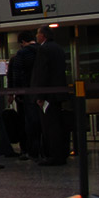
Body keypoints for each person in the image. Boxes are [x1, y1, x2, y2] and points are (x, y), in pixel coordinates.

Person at [31, 25, 68, 165]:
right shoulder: (58, 48)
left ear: (43, 36)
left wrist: (40, 95)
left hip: (48, 95)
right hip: (58, 93)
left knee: (49, 126)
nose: (36, 36)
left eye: (38, 33)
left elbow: (42, 73)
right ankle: (61, 153)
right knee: (58, 125)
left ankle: (53, 155)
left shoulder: (44, 49)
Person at [8, 29, 41, 160]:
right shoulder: (43, 51)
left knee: (26, 122)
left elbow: (15, 75)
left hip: (25, 94)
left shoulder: (20, 54)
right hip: (43, 92)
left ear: (22, 42)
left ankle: (27, 149)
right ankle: (42, 149)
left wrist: (15, 93)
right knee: (41, 121)